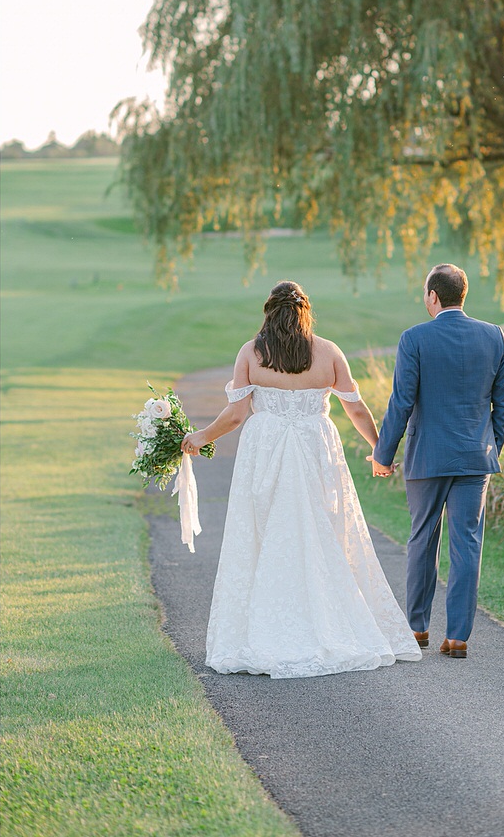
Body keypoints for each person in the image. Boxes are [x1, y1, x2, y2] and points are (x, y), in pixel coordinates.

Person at [181, 280, 422, 679]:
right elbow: (355, 408)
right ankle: (329, 621)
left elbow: (237, 415)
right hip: (315, 448)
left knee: (265, 533)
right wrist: (380, 451)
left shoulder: (251, 352)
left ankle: (268, 627)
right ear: (306, 311)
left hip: (266, 451)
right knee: (322, 529)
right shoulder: (328, 352)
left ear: (268, 312)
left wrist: (202, 436)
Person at [370, 264, 504, 660]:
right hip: (475, 459)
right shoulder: (494, 336)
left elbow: (401, 402)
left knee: (422, 539)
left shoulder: (414, 338)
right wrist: (489, 445)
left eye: (425, 292)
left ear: (433, 295)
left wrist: (383, 455)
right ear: (462, 295)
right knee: (467, 544)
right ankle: (458, 638)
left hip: (427, 457)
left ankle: (417, 628)